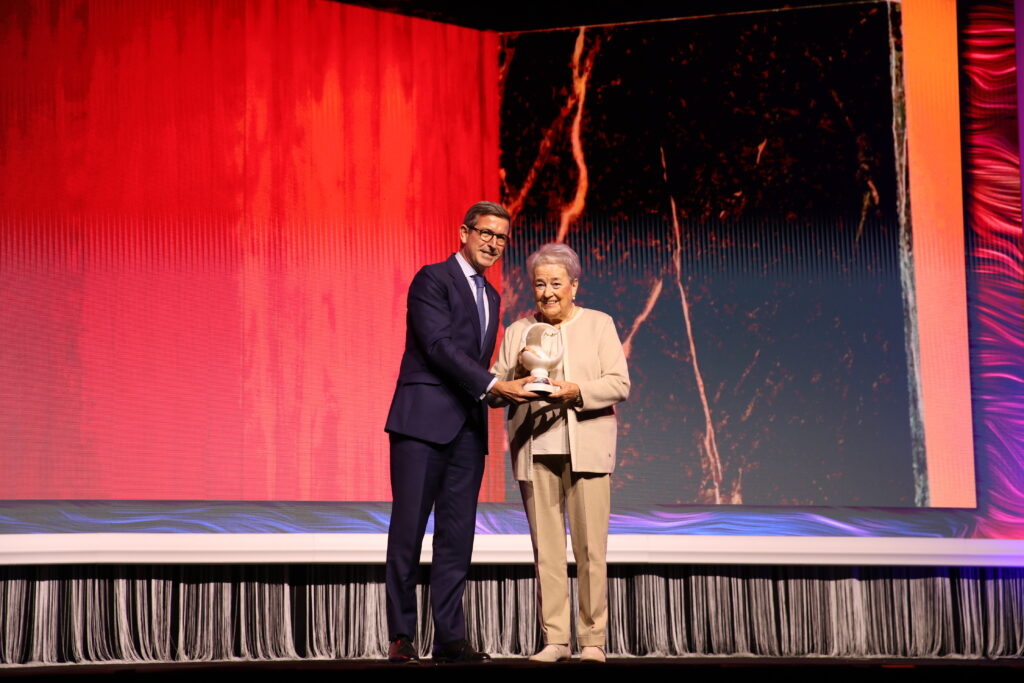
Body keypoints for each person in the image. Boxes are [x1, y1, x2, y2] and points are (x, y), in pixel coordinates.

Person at [383, 201, 535, 664]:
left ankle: (451, 637)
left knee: (457, 535)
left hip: (468, 428)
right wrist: (493, 384)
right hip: (421, 423)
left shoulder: (492, 297)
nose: (493, 243)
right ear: (464, 233)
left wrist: (506, 388)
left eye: (502, 237)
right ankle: (402, 635)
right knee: (408, 530)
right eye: (485, 233)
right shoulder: (432, 278)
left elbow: (479, 363)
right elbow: (437, 346)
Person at [490, 242, 630, 663]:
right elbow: (495, 388)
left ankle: (592, 641)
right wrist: (510, 384)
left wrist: (577, 391)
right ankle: (555, 639)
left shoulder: (598, 324)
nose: (547, 292)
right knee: (546, 551)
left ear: (573, 285)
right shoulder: (517, 330)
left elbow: (619, 384)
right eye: (539, 284)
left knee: (591, 551)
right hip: (535, 450)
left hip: (587, 448)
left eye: (556, 283)